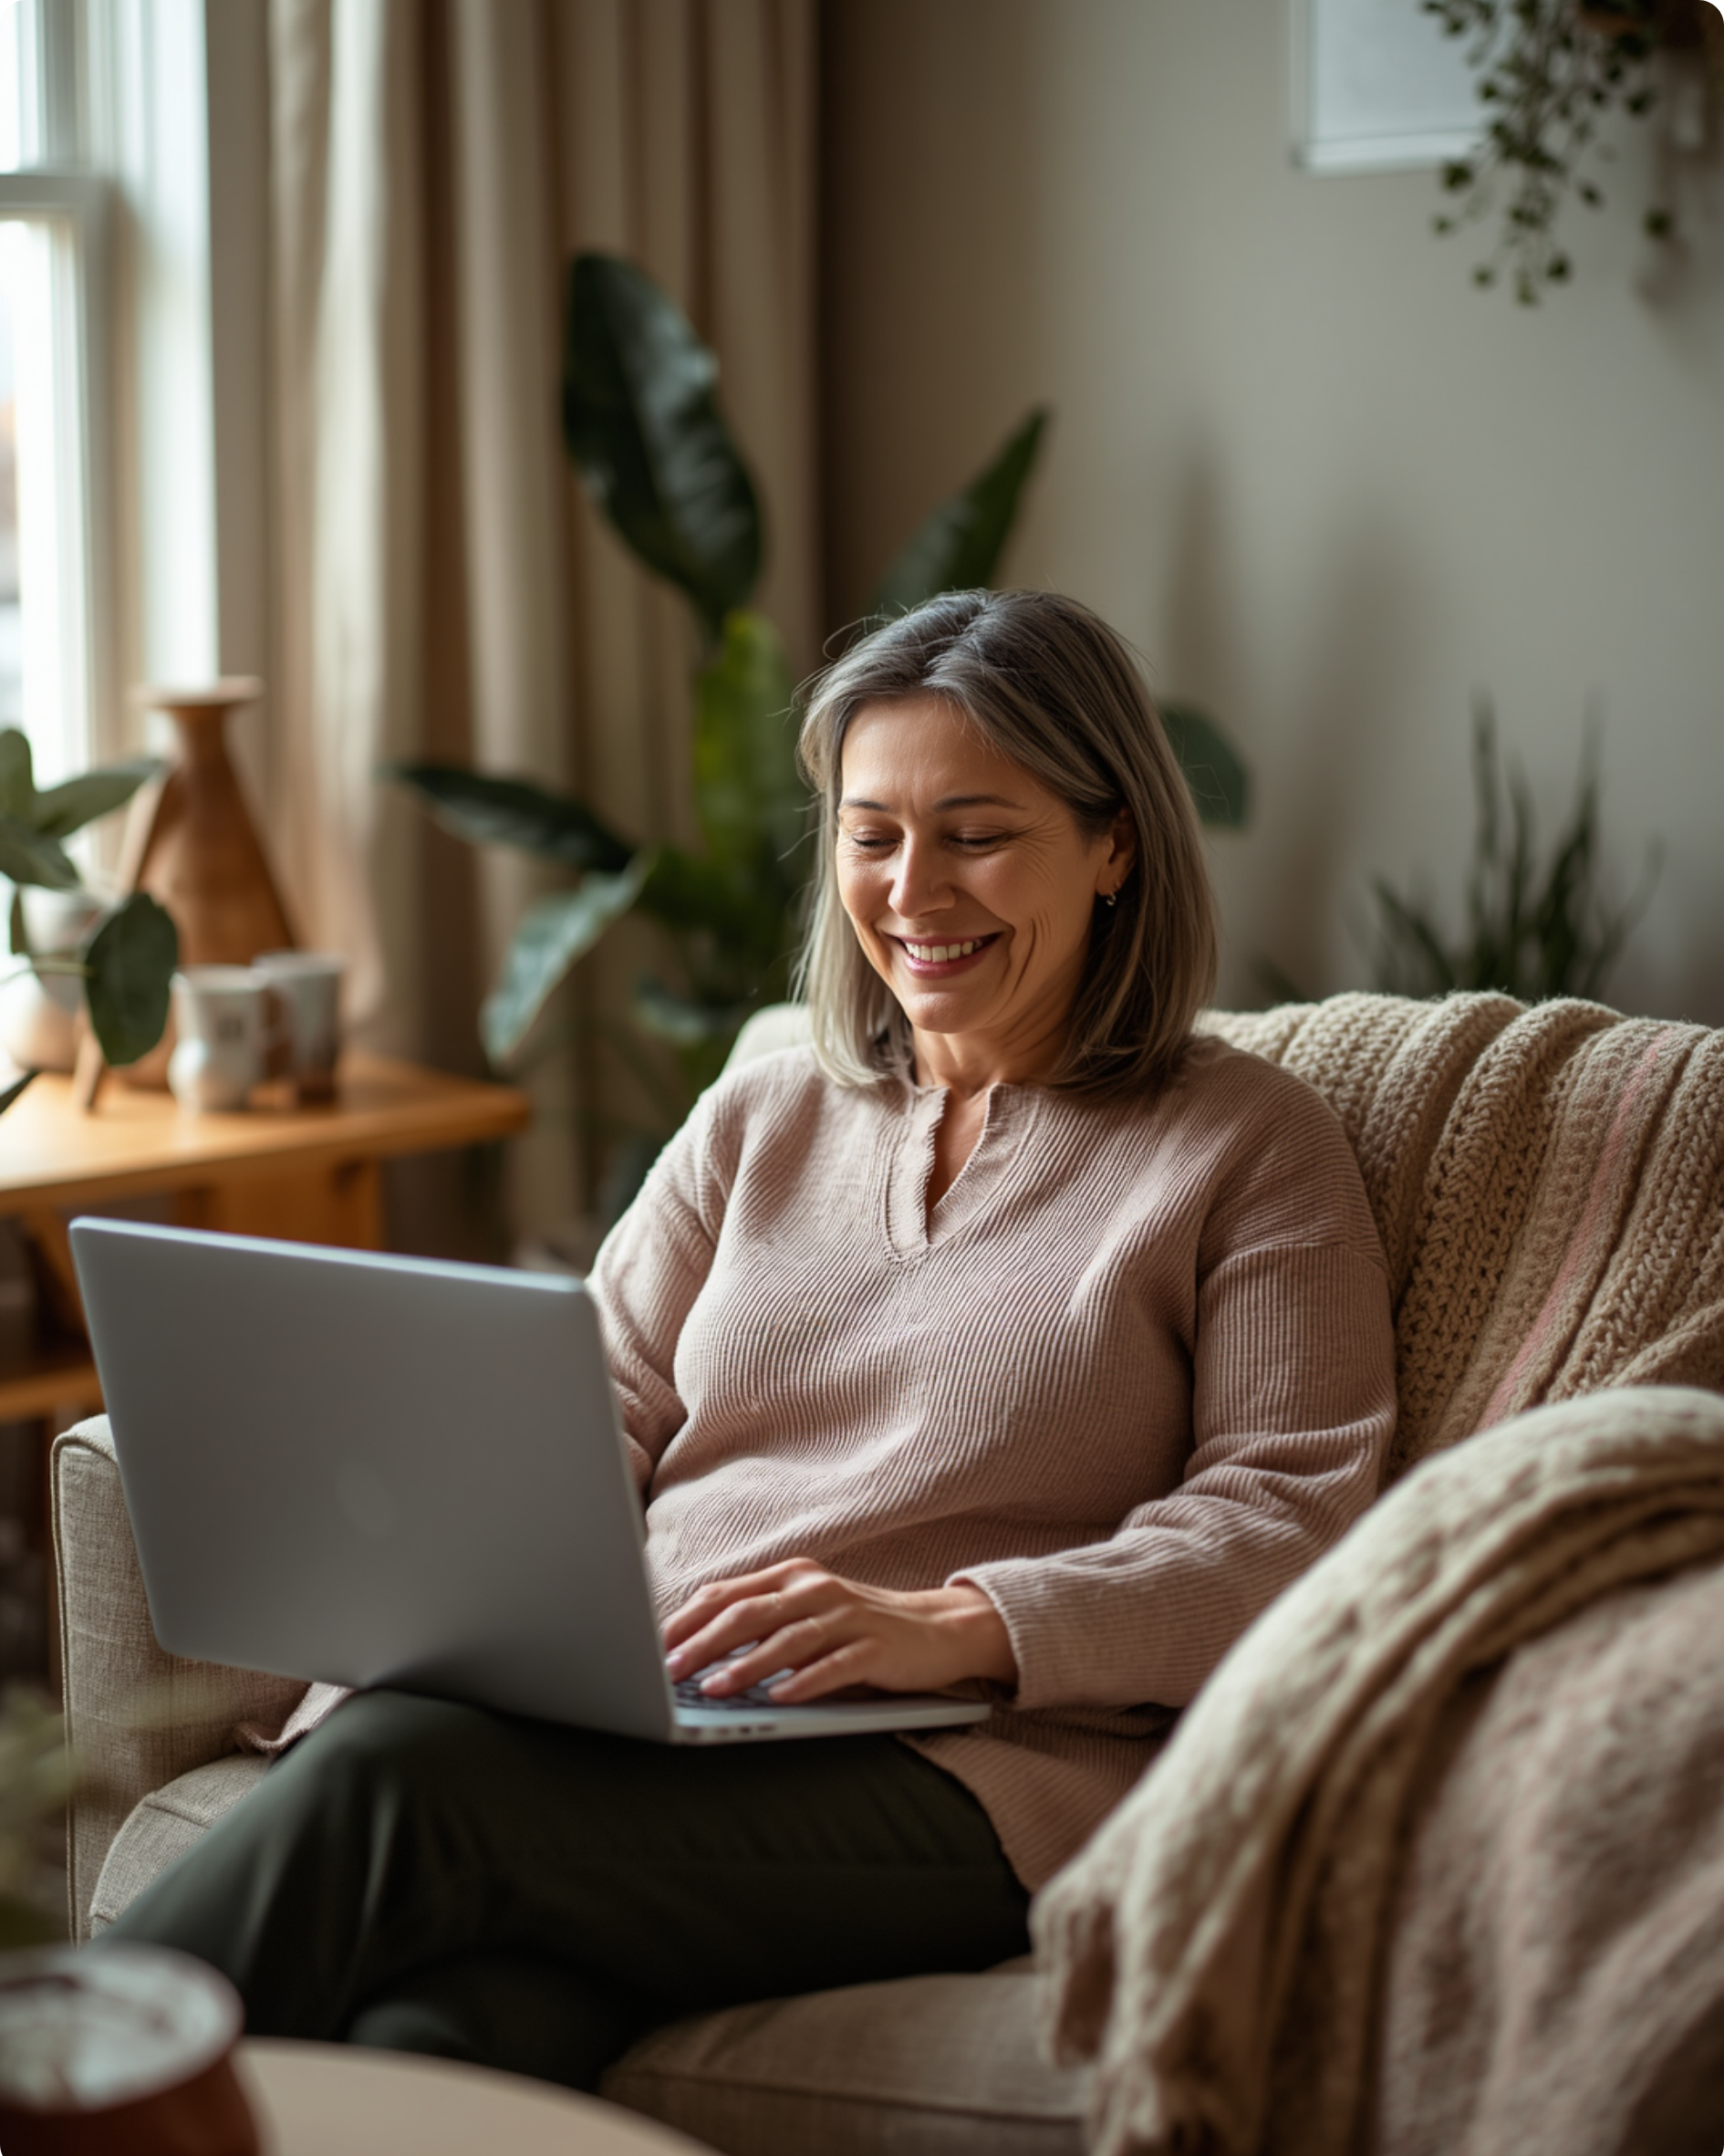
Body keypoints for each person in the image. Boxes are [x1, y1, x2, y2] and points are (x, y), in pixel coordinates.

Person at [101, 589, 1396, 2090]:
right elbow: (590, 1392)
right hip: (660, 1723)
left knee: (406, 1785)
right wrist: (448, 1602)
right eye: (871, 832)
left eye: (976, 832)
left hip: (964, 1778)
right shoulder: (765, 1111)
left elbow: (1290, 1522)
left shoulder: (1246, 1147)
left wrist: (961, 1622)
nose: (914, 888)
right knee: (441, 2042)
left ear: (1114, 845)